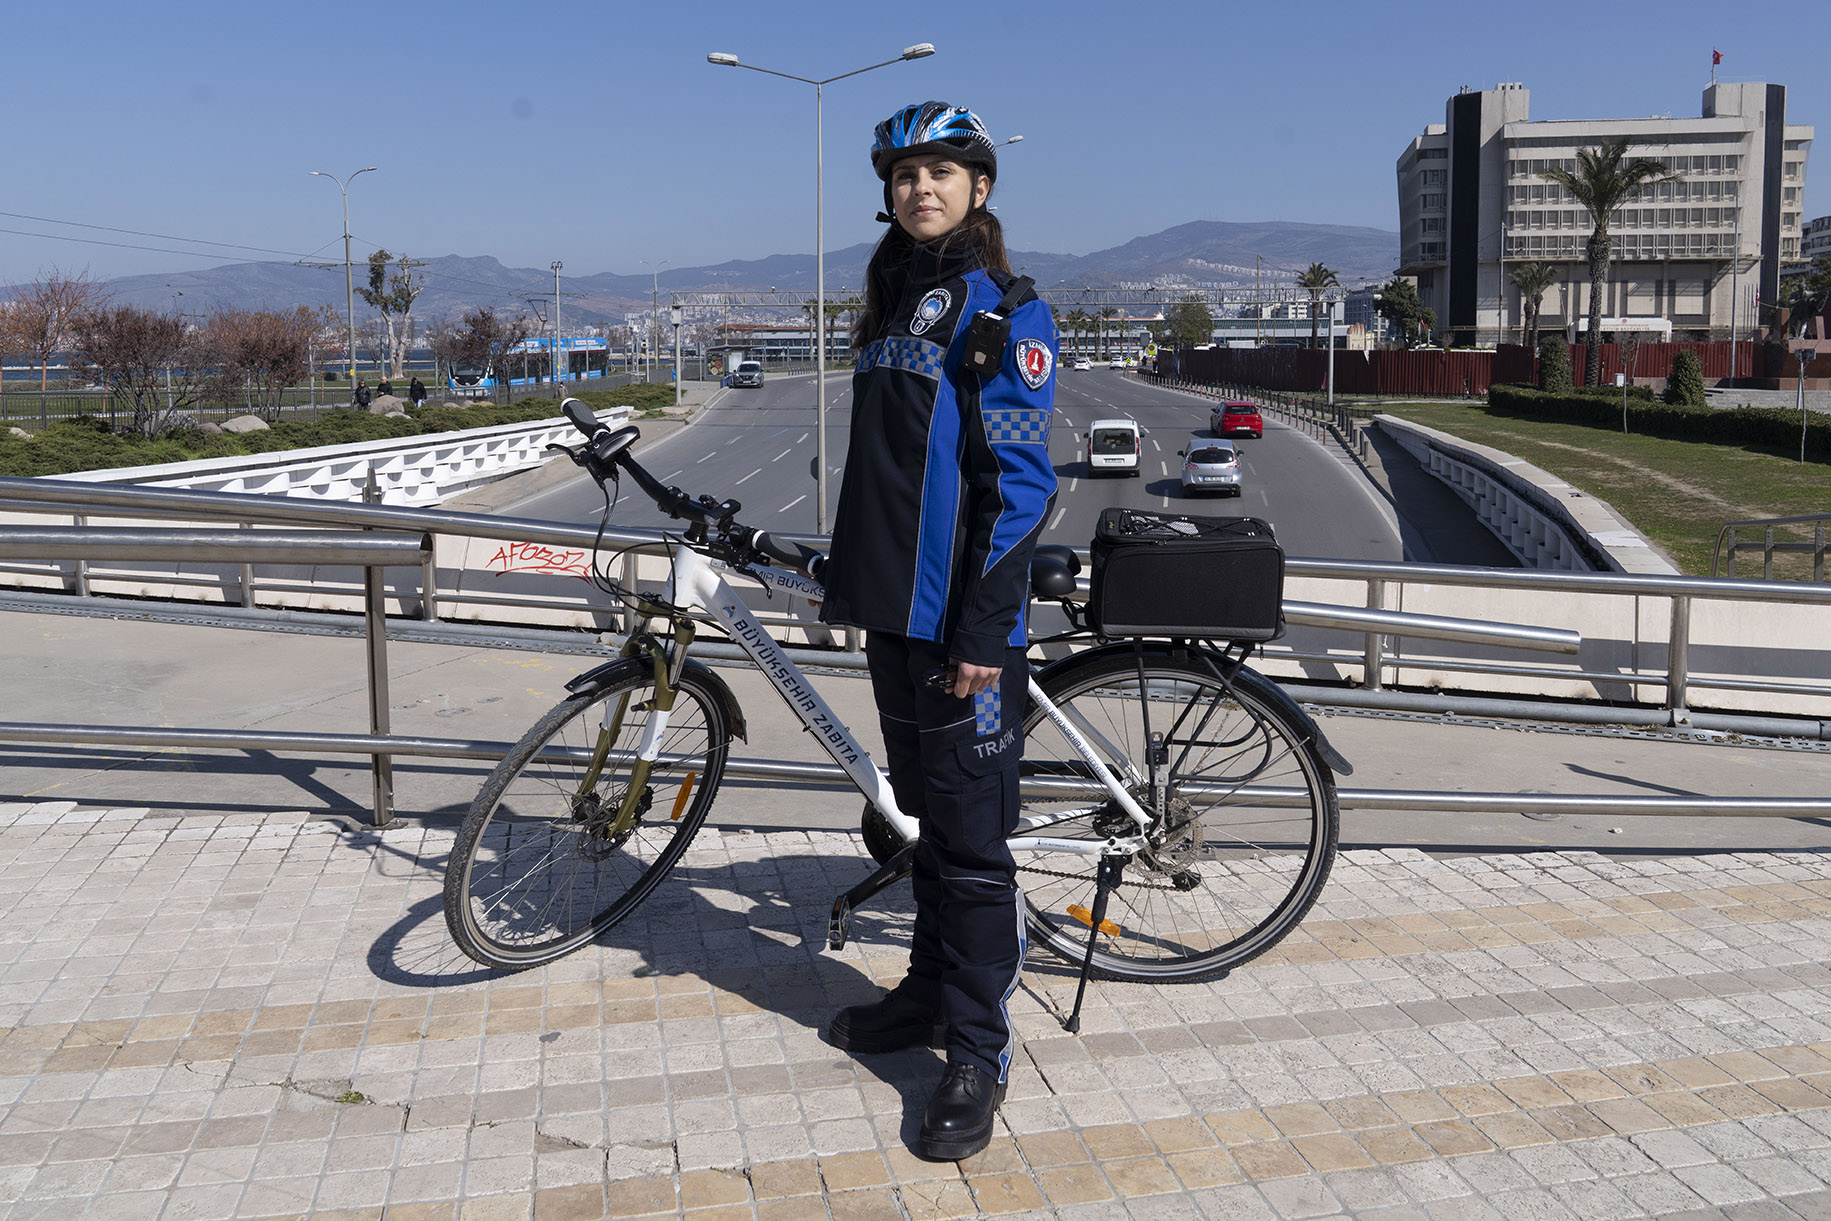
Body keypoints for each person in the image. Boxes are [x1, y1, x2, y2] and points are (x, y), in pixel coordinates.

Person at [817, 101, 1058, 1162]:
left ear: (980, 190)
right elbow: (892, 477)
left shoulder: (1002, 314)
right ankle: (924, 995)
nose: (923, 187)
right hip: (890, 620)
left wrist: (983, 632)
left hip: (963, 633)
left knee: (969, 852)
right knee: (923, 823)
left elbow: (1020, 488)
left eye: (944, 173)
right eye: (907, 172)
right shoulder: (890, 301)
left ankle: (977, 1053)